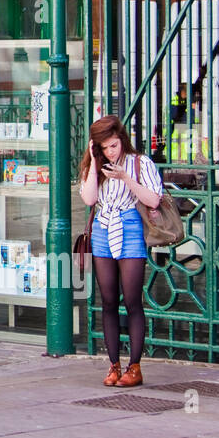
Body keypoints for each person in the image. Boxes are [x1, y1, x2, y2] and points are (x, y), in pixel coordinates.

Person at [78, 114, 164, 388]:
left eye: (113, 145)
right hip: (103, 227)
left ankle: (134, 367)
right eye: (103, 147)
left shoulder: (140, 163)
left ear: (122, 140)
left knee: (132, 301)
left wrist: (126, 177)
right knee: (108, 300)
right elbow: (90, 199)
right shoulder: (96, 165)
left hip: (129, 226)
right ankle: (113, 365)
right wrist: (93, 162)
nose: (110, 152)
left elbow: (153, 200)